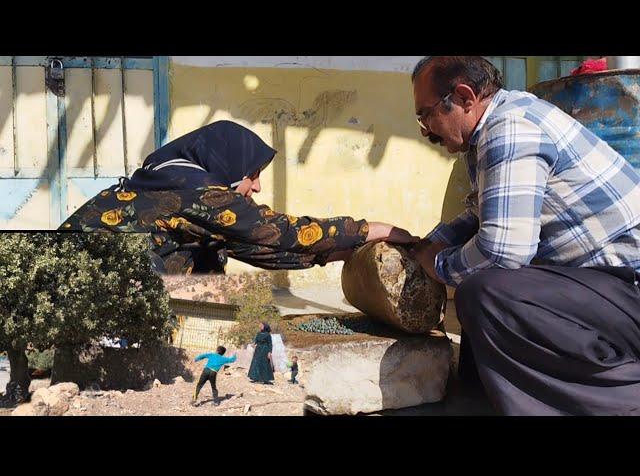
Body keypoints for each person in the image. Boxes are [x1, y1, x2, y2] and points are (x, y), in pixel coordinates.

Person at [410, 56, 640, 415]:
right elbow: (481, 213)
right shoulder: (493, 127)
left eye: (425, 114)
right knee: (486, 282)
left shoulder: (510, 128)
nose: (424, 129)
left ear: (465, 97)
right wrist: (419, 244)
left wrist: (437, 264)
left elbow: (504, 251)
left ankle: (622, 399)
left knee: (484, 291)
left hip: (629, 291)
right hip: (607, 287)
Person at [59, 120, 418, 274]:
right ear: (228, 166)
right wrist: (370, 229)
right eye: (253, 175)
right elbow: (281, 230)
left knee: (211, 250)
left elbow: (247, 247)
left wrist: (333, 256)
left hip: (78, 281)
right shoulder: (195, 193)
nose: (257, 187)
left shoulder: (166, 179)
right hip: (88, 291)